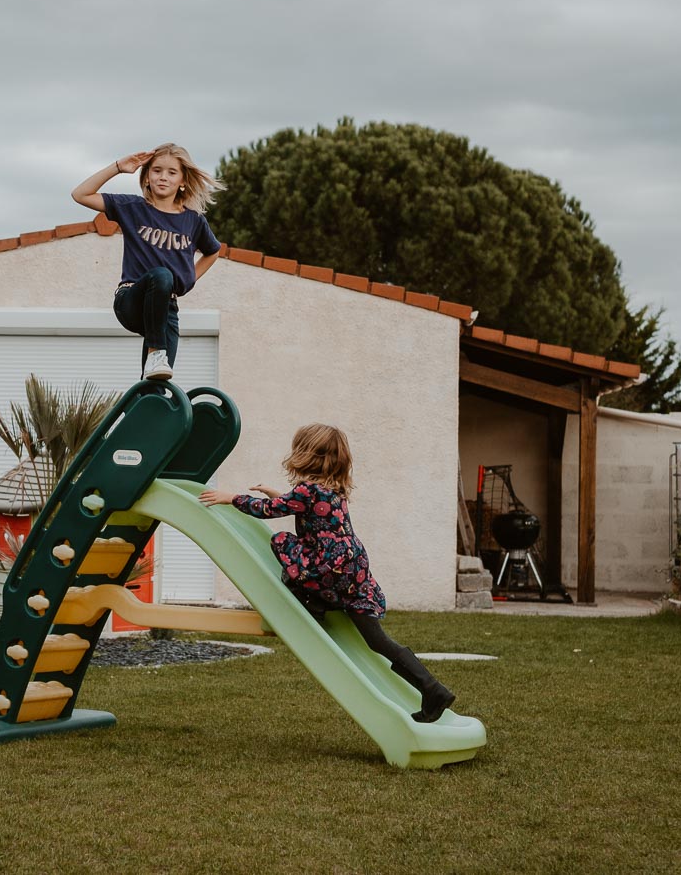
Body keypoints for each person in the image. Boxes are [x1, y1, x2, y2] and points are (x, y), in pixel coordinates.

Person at [199, 423, 457, 723]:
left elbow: (270, 511)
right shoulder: (333, 491)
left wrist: (231, 498)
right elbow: (302, 507)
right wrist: (279, 495)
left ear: (305, 454)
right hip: (353, 568)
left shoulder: (306, 490)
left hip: (328, 569)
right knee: (377, 641)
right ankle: (432, 689)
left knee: (281, 541)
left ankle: (314, 602)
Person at [71, 143, 223, 381]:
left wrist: (189, 278)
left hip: (167, 309)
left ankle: (142, 406)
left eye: (172, 172)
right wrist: (118, 167)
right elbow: (80, 194)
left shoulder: (193, 222)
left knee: (156, 385)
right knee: (162, 275)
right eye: (157, 171)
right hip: (132, 300)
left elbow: (213, 252)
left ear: (182, 181)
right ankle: (155, 352)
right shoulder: (132, 208)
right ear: (147, 177)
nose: (163, 177)